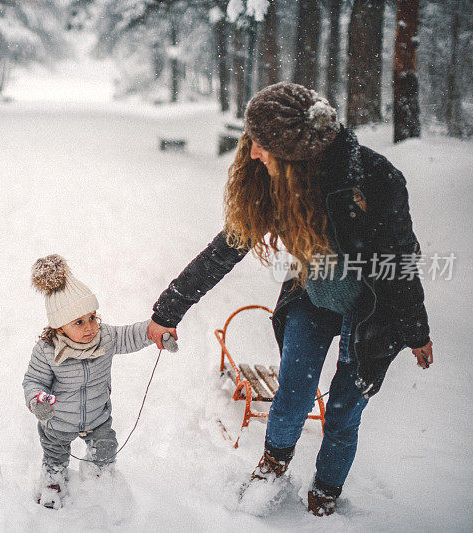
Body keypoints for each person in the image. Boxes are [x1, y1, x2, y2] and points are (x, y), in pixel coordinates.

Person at [147, 82, 435, 516]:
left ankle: (325, 493)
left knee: (341, 412)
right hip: (313, 294)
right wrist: (168, 310)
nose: (253, 153)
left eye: (262, 145)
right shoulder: (272, 180)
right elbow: (226, 248)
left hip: (375, 310)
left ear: (297, 155)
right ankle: (272, 466)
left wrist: (417, 331)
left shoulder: (375, 181)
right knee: (293, 394)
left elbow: (401, 265)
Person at [23, 254, 153, 509]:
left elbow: (132, 335)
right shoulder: (47, 350)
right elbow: (34, 380)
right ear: (59, 327)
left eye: (92, 317)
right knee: (55, 453)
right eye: (79, 322)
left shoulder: (106, 338)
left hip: (97, 416)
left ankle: (99, 477)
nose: (90, 327)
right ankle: (53, 479)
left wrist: (154, 331)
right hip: (59, 419)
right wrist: (39, 400)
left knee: (107, 447)